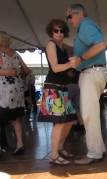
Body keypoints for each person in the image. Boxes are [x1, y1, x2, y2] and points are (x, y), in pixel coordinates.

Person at [66, 3, 107, 164]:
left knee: (88, 114)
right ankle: (99, 149)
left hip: (91, 72)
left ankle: (94, 153)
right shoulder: (86, 26)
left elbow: (101, 45)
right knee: (92, 113)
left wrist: (80, 59)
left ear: (79, 14)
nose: (68, 20)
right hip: (93, 72)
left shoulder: (85, 25)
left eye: (69, 16)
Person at [38, 19, 78, 165]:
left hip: (62, 87)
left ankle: (59, 148)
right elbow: (55, 68)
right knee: (60, 123)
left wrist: (72, 69)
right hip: (53, 87)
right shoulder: (51, 44)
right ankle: (53, 156)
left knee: (69, 121)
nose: (59, 33)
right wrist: (70, 64)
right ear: (51, 32)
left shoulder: (62, 48)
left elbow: (65, 70)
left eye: (61, 30)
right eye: (56, 30)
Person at [0, 31, 31, 155]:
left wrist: (8, 72)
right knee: (16, 118)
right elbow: (27, 70)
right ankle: (20, 144)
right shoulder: (15, 54)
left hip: (3, 90)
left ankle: (1, 146)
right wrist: (17, 74)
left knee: (2, 118)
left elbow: (5, 72)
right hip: (18, 89)